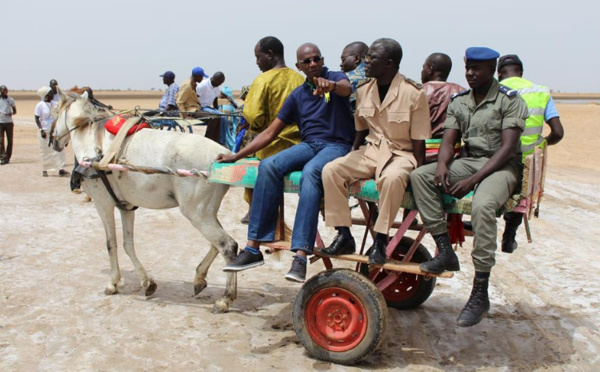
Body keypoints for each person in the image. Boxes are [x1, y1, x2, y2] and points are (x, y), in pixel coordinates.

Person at [409, 47, 529, 327]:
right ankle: (445, 250)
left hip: (502, 166)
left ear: (492, 70)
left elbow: (509, 148)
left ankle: (480, 292)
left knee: (483, 205)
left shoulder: (509, 100)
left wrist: (473, 181)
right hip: (471, 160)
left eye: (478, 69)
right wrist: (441, 166)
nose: (471, 74)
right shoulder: (460, 101)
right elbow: (449, 140)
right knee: (420, 176)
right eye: (468, 68)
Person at [216, 42, 355, 283]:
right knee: (268, 165)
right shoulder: (298, 96)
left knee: (312, 172)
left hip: (337, 146)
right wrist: (236, 156)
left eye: (316, 59)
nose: (313, 64)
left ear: (322, 61)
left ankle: (300, 255)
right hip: (309, 144)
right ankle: (253, 248)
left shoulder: (334, 78)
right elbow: (269, 133)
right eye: (307, 61)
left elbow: (346, 89)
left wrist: (330, 86)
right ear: (299, 66)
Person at [318, 38, 431, 265]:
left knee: (392, 178)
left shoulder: (413, 93)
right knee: (331, 170)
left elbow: (419, 140)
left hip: (401, 154)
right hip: (370, 151)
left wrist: (417, 175)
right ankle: (344, 234)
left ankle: (380, 239)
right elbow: (361, 130)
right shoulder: (364, 89)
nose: (366, 62)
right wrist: (350, 156)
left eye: (372, 58)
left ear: (389, 63)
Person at [497, 54, 564, 253]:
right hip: (528, 157)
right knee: (522, 191)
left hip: (498, 155)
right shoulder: (541, 92)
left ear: (499, 73)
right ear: (522, 72)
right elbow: (558, 132)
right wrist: (542, 144)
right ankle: (510, 234)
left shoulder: (494, 90)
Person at [238, 36, 305, 224]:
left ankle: (253, 209)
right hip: (299, 145)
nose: (257, 62)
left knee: (248, 152)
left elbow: (254, 117)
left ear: (270, 54)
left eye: (258, 57)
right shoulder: (300, 78)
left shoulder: (262, 80)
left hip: (271, 146)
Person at [420, 53, 465, 139]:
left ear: (430, 69)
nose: (422, 71)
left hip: (423, 149)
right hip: (454, 149)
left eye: (423, 67)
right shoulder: (461, 91)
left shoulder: (417, 91)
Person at [34, 86, 68, 177]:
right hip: (44, 131)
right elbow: (37, 118)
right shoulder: (40, 105)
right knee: (45, 150)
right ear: (46, 95)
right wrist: (41, 129)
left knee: (58, 150)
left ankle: (60, 169)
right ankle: (45, 169)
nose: (53, 94)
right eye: (51, 93)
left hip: (54, 131)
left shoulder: (55, 104)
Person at [197, 72, 226, 144]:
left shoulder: (216, 87)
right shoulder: (202, 85)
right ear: (216, 79)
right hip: (201, 107)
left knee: (223, 116)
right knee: (219, 116)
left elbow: (215, 101)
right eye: (220, 82)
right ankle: (219, 140)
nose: (220, 84)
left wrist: (217, 110)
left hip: (208, 107)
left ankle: (222, 139)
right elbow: (195, 99)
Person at [339, 41, 369, 111]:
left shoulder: (346, 79)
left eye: (343, 60)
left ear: (356, 58)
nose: (341, 64)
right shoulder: (379, 76)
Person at [219, 86, 240, 151]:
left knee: (230, 141)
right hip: (225, 125)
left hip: (229, 126)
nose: (219, 95)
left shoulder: (230, 104)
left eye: (221, 94)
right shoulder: (220, 102)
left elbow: (236, 113)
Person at [0, 85, 16, 165]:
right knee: (1, 140)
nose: (5, 92)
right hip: (0, 123)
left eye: (6, 91)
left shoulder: (11, 100)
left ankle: (8, 157)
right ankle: (3, 157)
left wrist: (11, 113)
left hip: (9, 122)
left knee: (10, 140)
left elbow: (15, 111)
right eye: (3, 91)